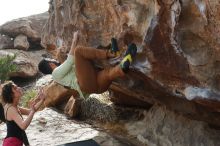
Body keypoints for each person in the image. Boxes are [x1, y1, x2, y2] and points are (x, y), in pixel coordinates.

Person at [38, 31, 137, 98]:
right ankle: (111, 53)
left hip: (97, 87)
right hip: (86, 84)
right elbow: (70, 60)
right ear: (50, 64)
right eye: (51, 59)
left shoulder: (59, 76)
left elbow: (71, 63)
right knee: (78, 51)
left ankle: (122, 67)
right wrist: (74, 39)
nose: (53, 59)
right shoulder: (55, 74)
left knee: (108, 73)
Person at [1, 81, 46, 146]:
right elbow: (23, 126)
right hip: (12, 143)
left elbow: (29, 112)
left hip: (13, 142)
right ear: (11, 95)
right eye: (15, 88)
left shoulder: (12, 106)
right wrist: (32, 111)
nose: (19, 88)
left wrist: (42, 100)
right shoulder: (11, 109)